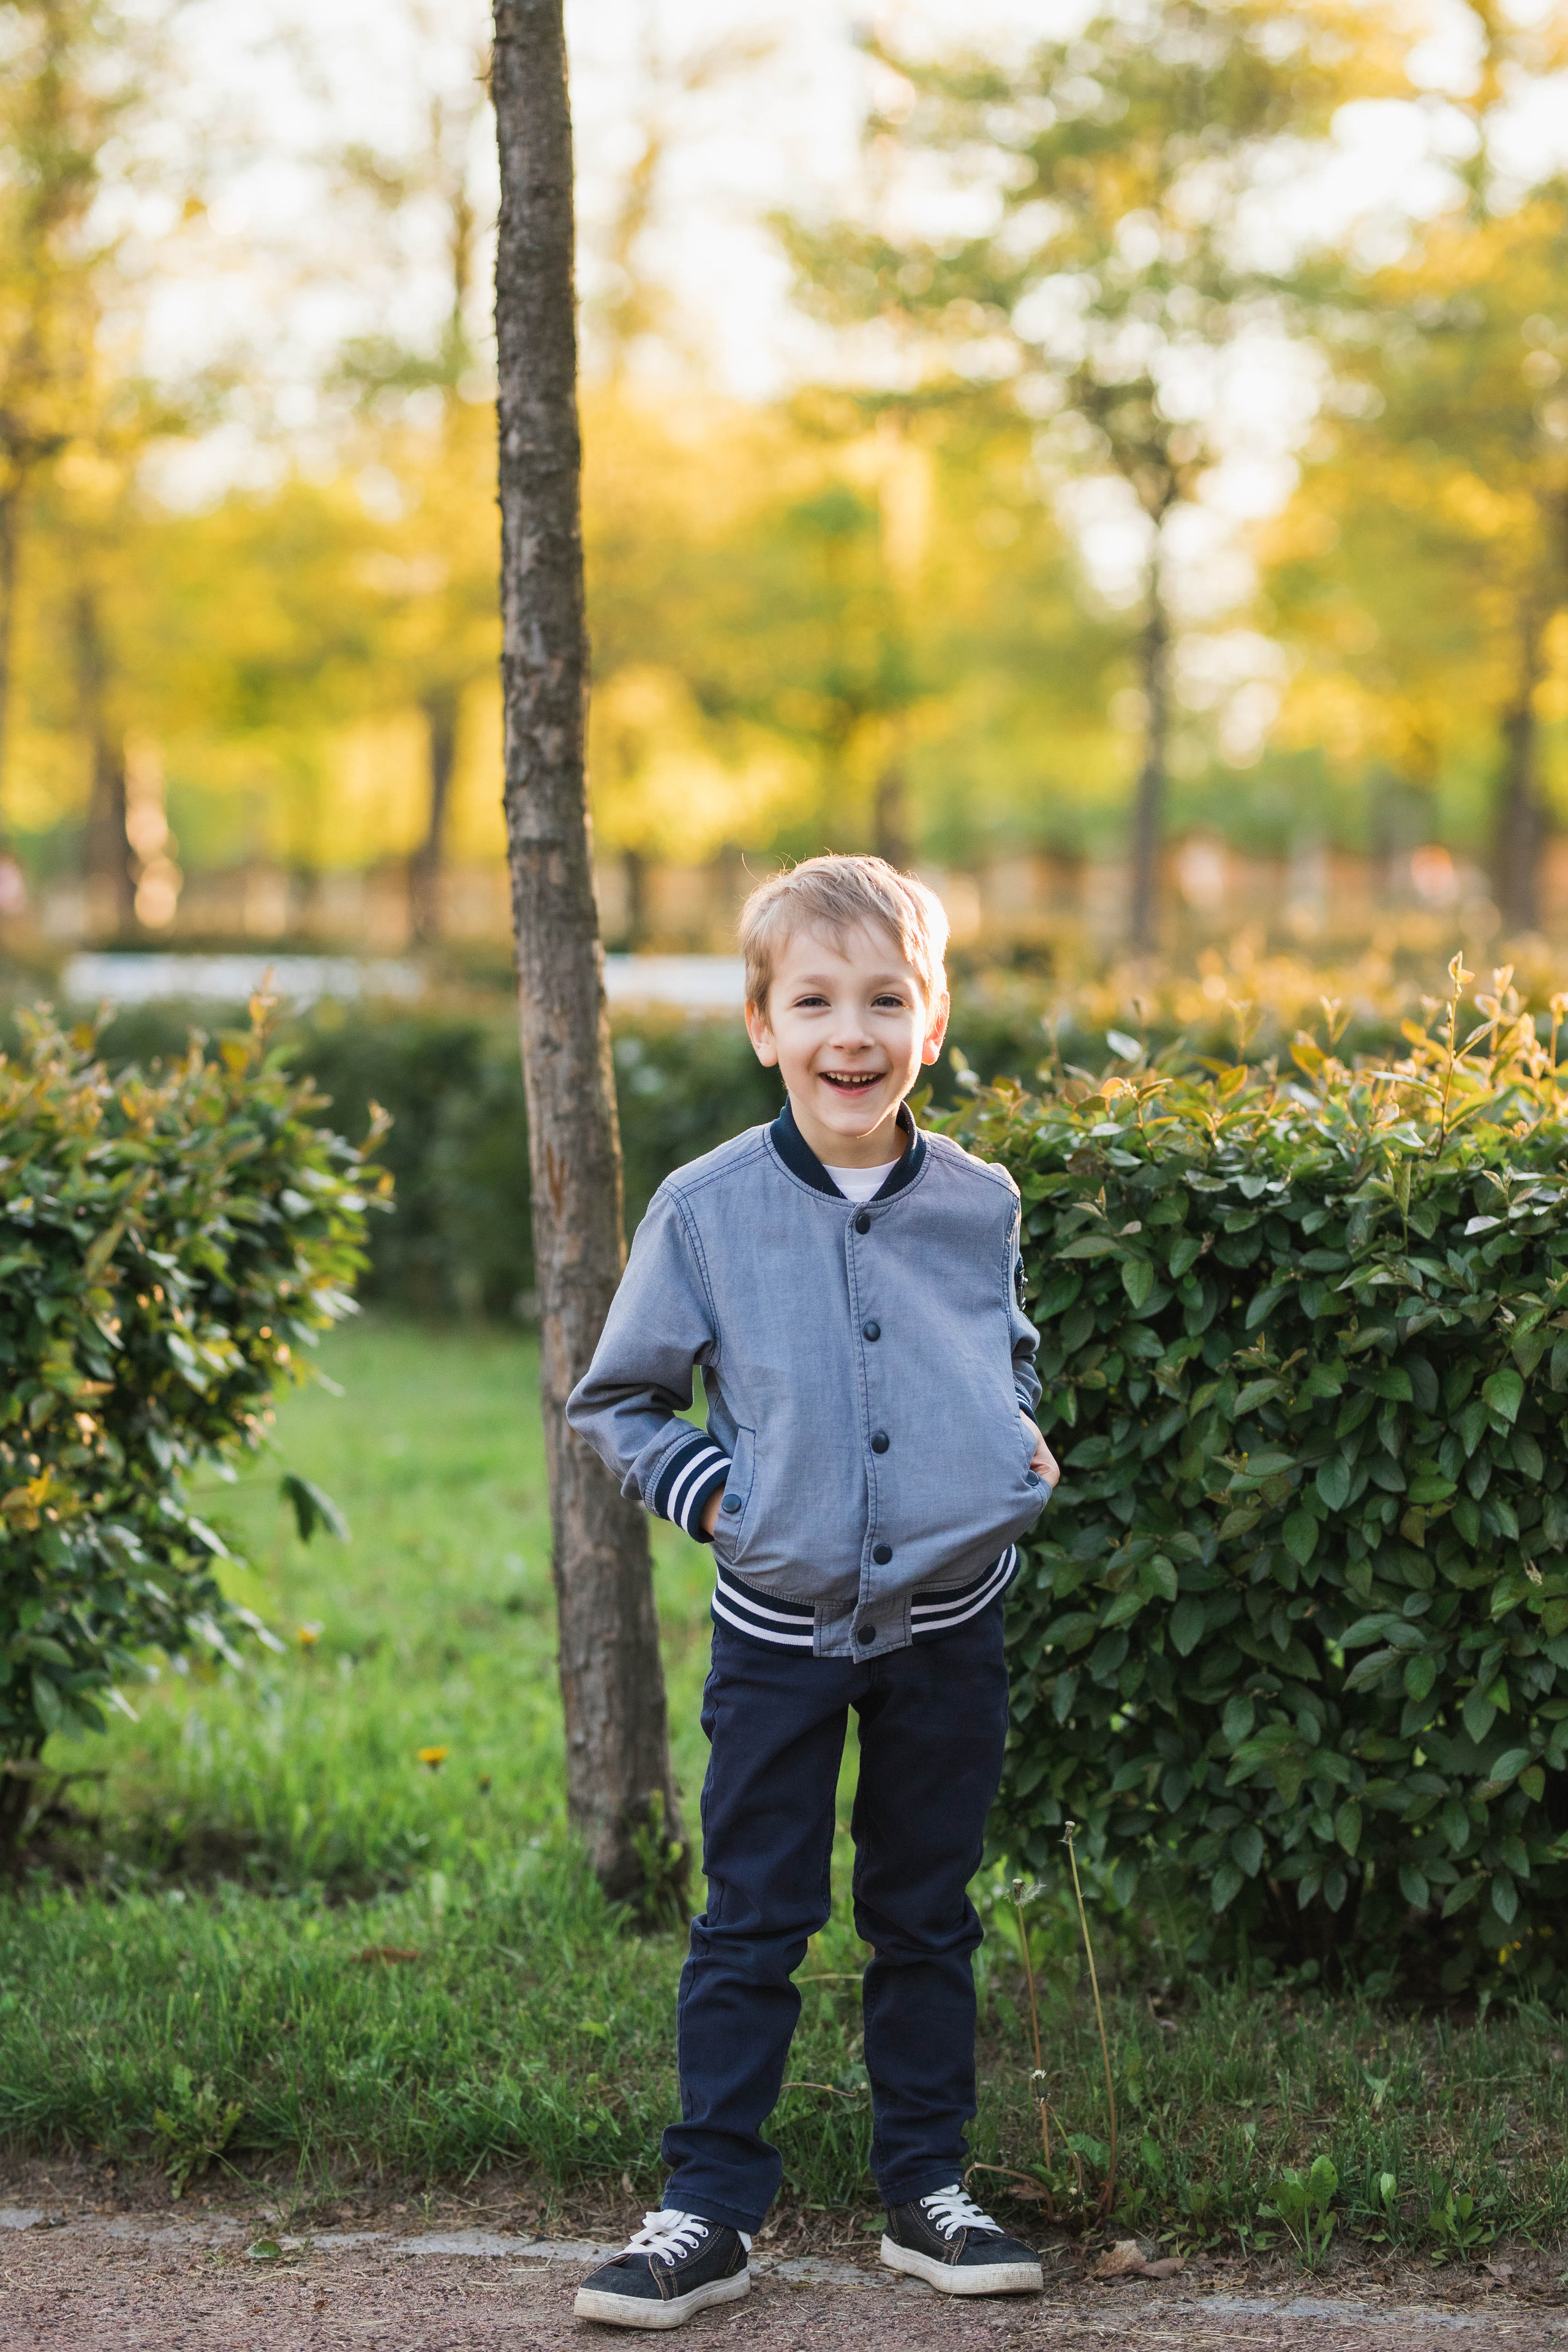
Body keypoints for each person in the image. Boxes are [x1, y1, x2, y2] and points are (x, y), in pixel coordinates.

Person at [565, 854, 1059, 2329]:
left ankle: (928, 2190)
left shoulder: (978, 1200)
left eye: (885, 999)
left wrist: (1009, 1432)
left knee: (924, 1914)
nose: (853, 1031)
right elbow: (620, 1400)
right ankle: (707, 2207)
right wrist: (720, 1498)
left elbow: (998, 1350)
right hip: (779, 1632)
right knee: (752, 1918)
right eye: (815, 1000)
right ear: (760, 1025)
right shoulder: (706, 1209)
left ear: (935, 1016)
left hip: (947, 1626)